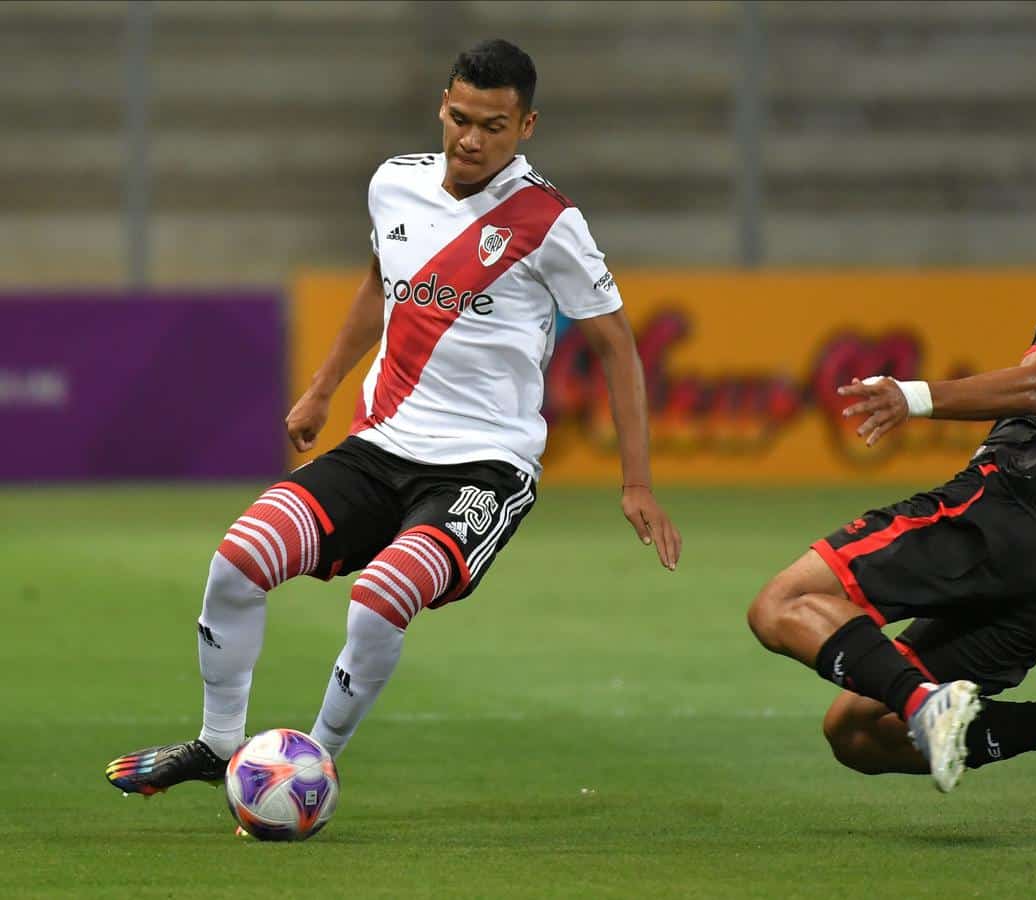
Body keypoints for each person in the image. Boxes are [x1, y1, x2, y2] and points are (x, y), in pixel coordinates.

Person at [106, 38, 681, 796]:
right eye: (461, 117)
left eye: (495, 126)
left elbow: (617, 347)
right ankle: (219, 747)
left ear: (528, 126)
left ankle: (309, 765)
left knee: (380, 597)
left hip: (485, 466)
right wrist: (320, 388)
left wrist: (635, 482)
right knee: (237, 562)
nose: (472, 139)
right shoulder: (394, 184)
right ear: (443, 106)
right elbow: (380, 285)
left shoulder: (549, 222)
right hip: (380, 446)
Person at [747, 139, 1036, 793]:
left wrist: (914, 396)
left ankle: (929, 704)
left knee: (779, 605)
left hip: (1004, 509)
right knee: (858, 733)